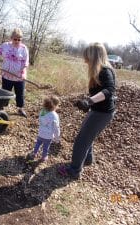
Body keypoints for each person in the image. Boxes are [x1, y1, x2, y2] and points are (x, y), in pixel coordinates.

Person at [58, 42, 116, 179]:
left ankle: (74, 170)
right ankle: (88, 159)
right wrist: (89, 104)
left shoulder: (105, 70)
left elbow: (109, 91)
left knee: (81, 141)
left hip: (102, 113)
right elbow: (99, 92)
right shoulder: (100, 70)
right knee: (87, 136)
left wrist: (89, 101)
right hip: (98, 111)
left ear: (94, 57)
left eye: (87, 57)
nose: (85, 60)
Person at [0, 28, 29, 118]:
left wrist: (24, 73)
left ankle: (20, 109)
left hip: (19, 77)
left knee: (20, 93)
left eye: (19, 39)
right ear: (11, 38)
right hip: (6, 76)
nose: (17, 41)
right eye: (15, 39)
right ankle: (2, 108)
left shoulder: (23, 49)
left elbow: (25, 62)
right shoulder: (5, 46)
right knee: (5, 92)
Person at [27, 96, 60, 162]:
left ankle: (34, 153)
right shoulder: (54, 116)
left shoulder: (42, 112)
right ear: (55, 106)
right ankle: (44, 157)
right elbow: (56, 128)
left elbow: (40, 119)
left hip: (41, 133)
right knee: (46, 147)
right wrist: (57, 138)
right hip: (48, 136)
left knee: (38, 143)